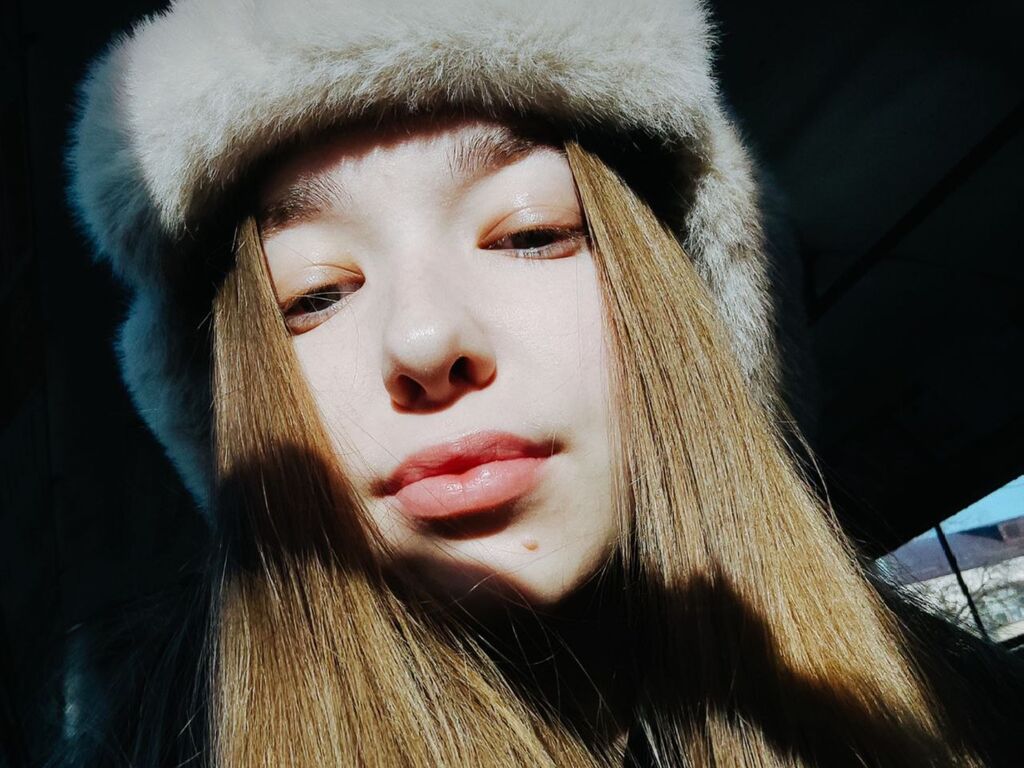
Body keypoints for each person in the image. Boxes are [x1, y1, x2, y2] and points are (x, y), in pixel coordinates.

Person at [63, 1, 1021, 766]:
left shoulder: (978, 719)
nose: (425, 338)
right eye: (311, 295)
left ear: (683, 309)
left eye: (529, 233)